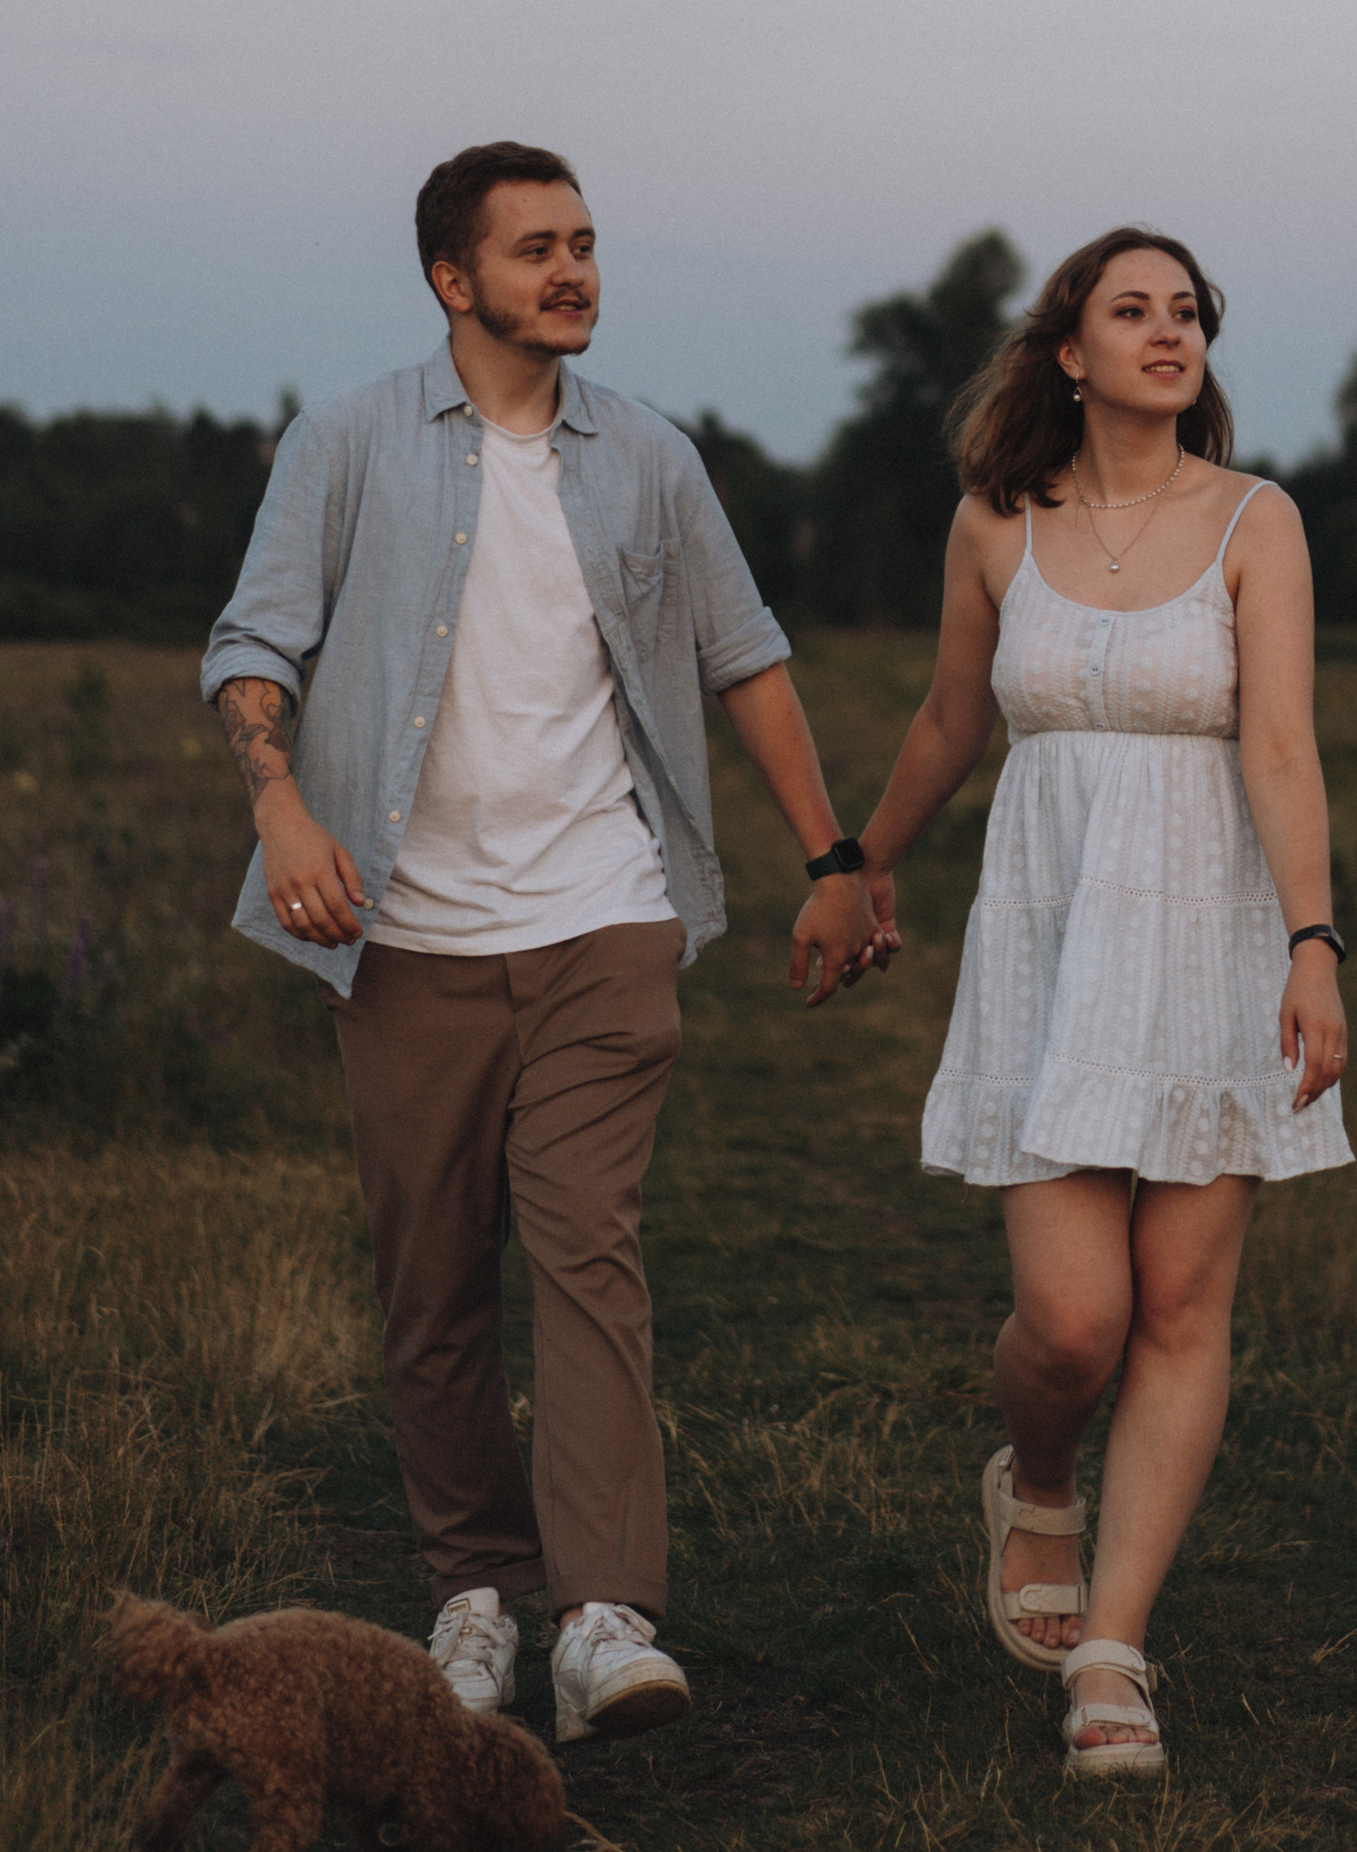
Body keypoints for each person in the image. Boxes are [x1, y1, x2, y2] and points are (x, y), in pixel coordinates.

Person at [202, 143, 877, 1746]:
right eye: (535, 251)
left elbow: (748, 659)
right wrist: (281, 811)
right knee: (433, 1284)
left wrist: (834, 854)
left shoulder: (650, 456)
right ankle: (477, 1593)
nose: (572, 271)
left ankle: (603, 1617)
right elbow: (254, 641)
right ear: (455, 280)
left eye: (583, 243)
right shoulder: (351, 441)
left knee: (588, 1258)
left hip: (603, 920)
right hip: (406, 936)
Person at [847, 225, 1350, 1781]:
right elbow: (948, 715)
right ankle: (1040, 1477)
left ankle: (1116, 1657)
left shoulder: (1258, 522)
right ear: (1069, 351)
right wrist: (854, 865)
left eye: (1187, 311)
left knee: (1184, 1310)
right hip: (1053, 948)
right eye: (1131, 310)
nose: (1167, 331)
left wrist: (1316, 944)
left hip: (1211, 940)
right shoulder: (997, 523)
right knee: (1075, 1321)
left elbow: (1279, 746)